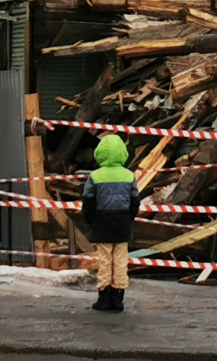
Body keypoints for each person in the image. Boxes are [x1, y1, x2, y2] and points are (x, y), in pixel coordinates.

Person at [80, 134, 140, 312]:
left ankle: (103, 299)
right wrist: (129, 218)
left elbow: (88, 201)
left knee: (105, 261)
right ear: (122, 153)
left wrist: (91, 221)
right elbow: (135, 201)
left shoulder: (95, 176)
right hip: (122, 222)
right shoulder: (129, 176)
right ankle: (118, 299)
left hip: (101, 221)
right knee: (120, 260)